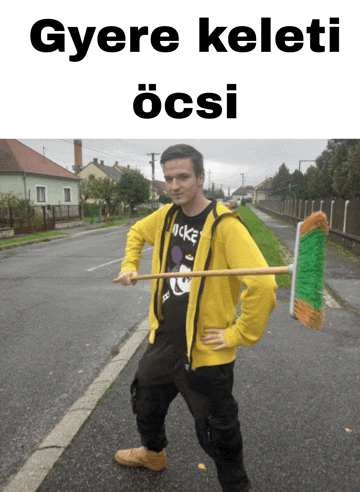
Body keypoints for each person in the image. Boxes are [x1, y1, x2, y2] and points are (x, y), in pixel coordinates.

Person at [115, 144, 277, 491]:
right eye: (169, 178)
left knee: (220, 431)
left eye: (183, 177)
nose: (174, 186)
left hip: (204, 351)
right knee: (145, 400)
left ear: (201, 178)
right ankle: (153, 453)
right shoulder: (166, 216)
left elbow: (263, 285)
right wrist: (130, 266)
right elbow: (136, 233)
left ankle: (237, 486)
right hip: (164, 340)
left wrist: (238, 334)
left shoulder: (225, 226)